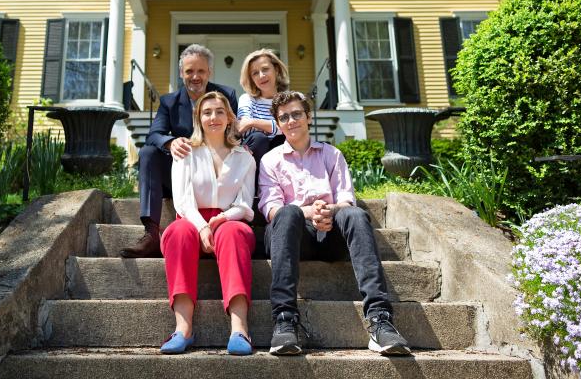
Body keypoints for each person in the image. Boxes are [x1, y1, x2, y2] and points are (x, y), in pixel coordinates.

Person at [258, 91, 411, 356]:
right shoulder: (270, 160)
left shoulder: (332, 154)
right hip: (291, 236)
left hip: (329, 234)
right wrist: (308, 211)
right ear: (278, 124)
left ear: (308, 117)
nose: (291, 120)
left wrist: (326, 211)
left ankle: (379, 320)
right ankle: (284, 319)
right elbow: (271, 210)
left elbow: (346, 201)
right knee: (287, 214)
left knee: (355, 215)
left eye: (296, 114)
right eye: (284, 117)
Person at [159, 92, 257, 355]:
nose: (213, 117)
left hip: (229, 221)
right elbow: (182, 201)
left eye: (219, 111)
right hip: (191, 221)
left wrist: (223, 218)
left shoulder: (245, 157)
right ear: (198, 118)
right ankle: (183, 329)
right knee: (177, 232)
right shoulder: (185, 152)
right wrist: (202, 225)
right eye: (207, 112)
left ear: (229, 117)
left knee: (233, 233)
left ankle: (240, 329)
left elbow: (246, 205)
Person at [120, 44, 239, 258]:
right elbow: (154, 134)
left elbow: (234, 134)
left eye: (201, 71)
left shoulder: (226, 95)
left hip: (216, 173)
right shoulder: (169, 101)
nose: (195, 76)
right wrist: (170, 142)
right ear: (181, 73)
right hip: (182, 174)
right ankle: (151, 233)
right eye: (189, 71)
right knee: (148, 152)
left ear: (209, 72)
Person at [236, 48, 288, 166]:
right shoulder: (247, 99)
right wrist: (276, 126)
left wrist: (253, 122)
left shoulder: (289, 100)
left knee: (282, 140)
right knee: (259, 138)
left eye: (265, 69)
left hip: (281, 157)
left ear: (276, 70)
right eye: (255, 73)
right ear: (252, 79)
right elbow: (244, 127)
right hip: (254, 158)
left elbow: (289, 127)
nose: (261, 75)